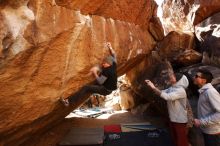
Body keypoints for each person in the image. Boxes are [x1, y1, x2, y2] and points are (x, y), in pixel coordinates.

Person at [60, 42, 117, 107]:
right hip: (109, 88)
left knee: (86, 88)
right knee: (92, 86)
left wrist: (95, 72)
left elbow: (100, 81)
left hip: (105, 90)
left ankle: (68, 101)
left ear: (109, 64)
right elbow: (114, 55)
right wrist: (110, 47)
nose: (103, 64)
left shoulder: (107, 71)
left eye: (105, 63)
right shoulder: (114, 65)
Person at [145, 73, 189, 146]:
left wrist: (153, 87)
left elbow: (167, 97)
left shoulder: (181, 91)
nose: (171, 76)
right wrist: (152, 86)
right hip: (173, 118)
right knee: (175, 139)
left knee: (181, 140)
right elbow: (161, 92)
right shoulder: (172, 88)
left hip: (180, 120)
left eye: (174, 76)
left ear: (179, 80)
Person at [193, 69, 220, 146]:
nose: (194, 77)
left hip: (213, 133)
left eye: (197, 76)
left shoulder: (210, 92)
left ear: (204, 80)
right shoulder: (203, 91)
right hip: (208, 131)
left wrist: (201, 122)